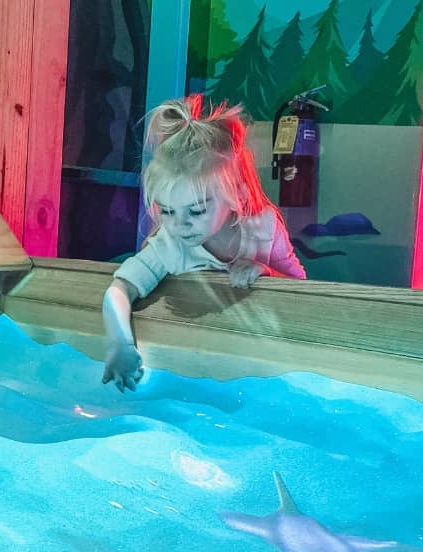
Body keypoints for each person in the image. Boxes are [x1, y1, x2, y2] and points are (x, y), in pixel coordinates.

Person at [102, 95, 306, 392]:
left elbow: (302, 290)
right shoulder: (169, 245)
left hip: (256, 368)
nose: (179, 224)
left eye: (196, 210)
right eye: (167, 211)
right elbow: (119, 289)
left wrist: (266, 272)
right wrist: (120, 344)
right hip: (194, 367)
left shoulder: (263, 228)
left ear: (238, 193)